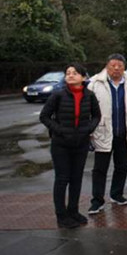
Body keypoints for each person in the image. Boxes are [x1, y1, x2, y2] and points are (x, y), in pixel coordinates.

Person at [39, 63, 101, 228]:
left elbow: (96, 116)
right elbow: (44, 116)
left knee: (76, 178)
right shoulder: (58, 95)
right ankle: (61, 215)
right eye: (68, 73)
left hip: (81, 143)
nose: (71, 75)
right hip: (61, 144)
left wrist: (87, 129)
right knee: (62, 179)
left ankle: (73, 211)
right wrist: (59, 130)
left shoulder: (89, 95)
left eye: (75, 73)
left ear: (83, 77)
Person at [87, 54, 127, 214]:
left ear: (124, 67)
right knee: (100, 169)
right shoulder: (95, 84)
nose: (116, 68)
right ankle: (97, 200)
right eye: (113, 65)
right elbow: (87, 108)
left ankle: (117, 194)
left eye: (119, 66)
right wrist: (89, 129)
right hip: (102, 132)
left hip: (124, 132)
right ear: (107, 66)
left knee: (121, 167)